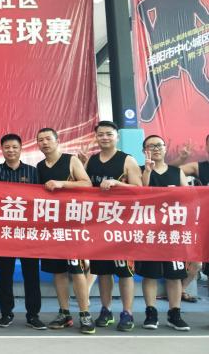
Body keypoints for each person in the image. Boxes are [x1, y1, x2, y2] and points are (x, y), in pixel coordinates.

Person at [0, 131, 45, 330]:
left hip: (28, 231)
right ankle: (6, 314)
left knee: (31, 275)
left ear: (21, 149)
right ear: (2, 149)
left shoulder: (33, 172)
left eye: (15, 147)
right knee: (5, 275)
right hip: (4, 231)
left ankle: (33, 315)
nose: (11, 150)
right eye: (7, 147)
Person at [83, 121, 142, 332]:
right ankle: (106, 310)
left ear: (117, 136)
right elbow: (86, 187)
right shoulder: (91, 160)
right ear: (96, 137)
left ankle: (127, 313)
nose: (105, 137)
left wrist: (118, 183)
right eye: (101, 134)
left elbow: (139, 189)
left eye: (109, 134)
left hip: (122, 225)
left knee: (125, 272)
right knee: (103, 272)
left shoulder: (127, 160)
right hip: (98, 224)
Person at [36, 127, 95, 334]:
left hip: (72, 225)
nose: (44, 142)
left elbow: (87, 184)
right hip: (51, 225)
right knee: (58, 272)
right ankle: (64, 313)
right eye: (40, 140)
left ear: (57, 140)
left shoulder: (71, 160)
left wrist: (61, 184)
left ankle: (85, 314)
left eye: (48, 139)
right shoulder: (39, 166)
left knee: (77, 270)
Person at [136, 135, 190, 331]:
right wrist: (147, 171)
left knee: (174, 275)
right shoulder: (141, 170)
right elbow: (139, 194)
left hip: (173, 232)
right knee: (150, 274)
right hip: (149, 232)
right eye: (151, 146)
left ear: (165, 148)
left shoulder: (177, 172)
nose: (156, 149)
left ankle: (174, 314)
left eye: (159, 145)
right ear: (144, 151)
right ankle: (151, 313)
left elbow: (189, 198)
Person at [171, 135, 209, 302]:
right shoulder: (198, 167)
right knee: (196, 263)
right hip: (201, 223)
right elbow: (168, 171)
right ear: (207, 147)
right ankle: (179, 291)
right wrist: (181, 159)